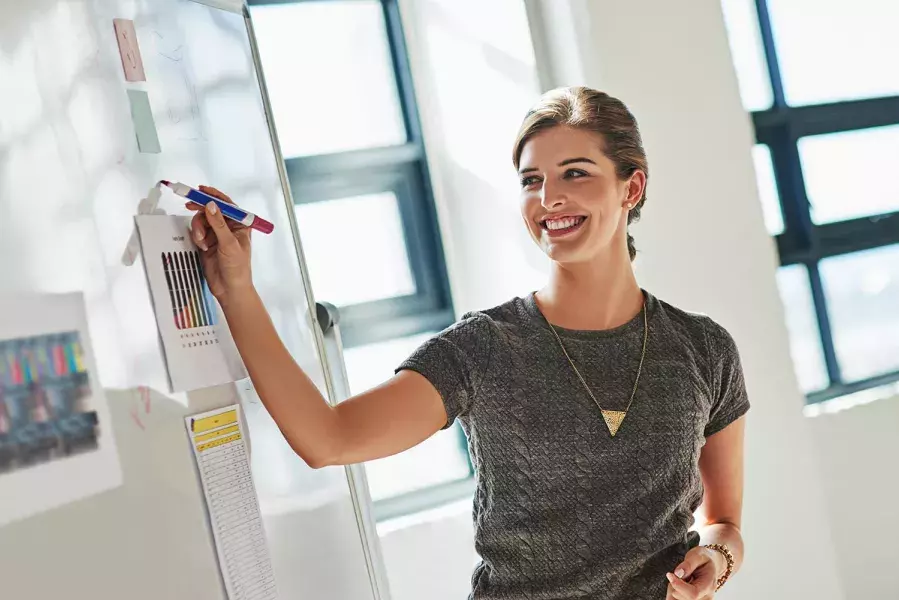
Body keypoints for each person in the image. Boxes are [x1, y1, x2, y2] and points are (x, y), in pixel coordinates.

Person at [188, 86, 748, 600]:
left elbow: (725, 522)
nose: (549, 198)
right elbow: (328, 439)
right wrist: (235, 288)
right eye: (532, 180)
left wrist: (716, 558)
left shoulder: (703, 349)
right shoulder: (483, 349)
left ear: (632, 186)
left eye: (575, 173)